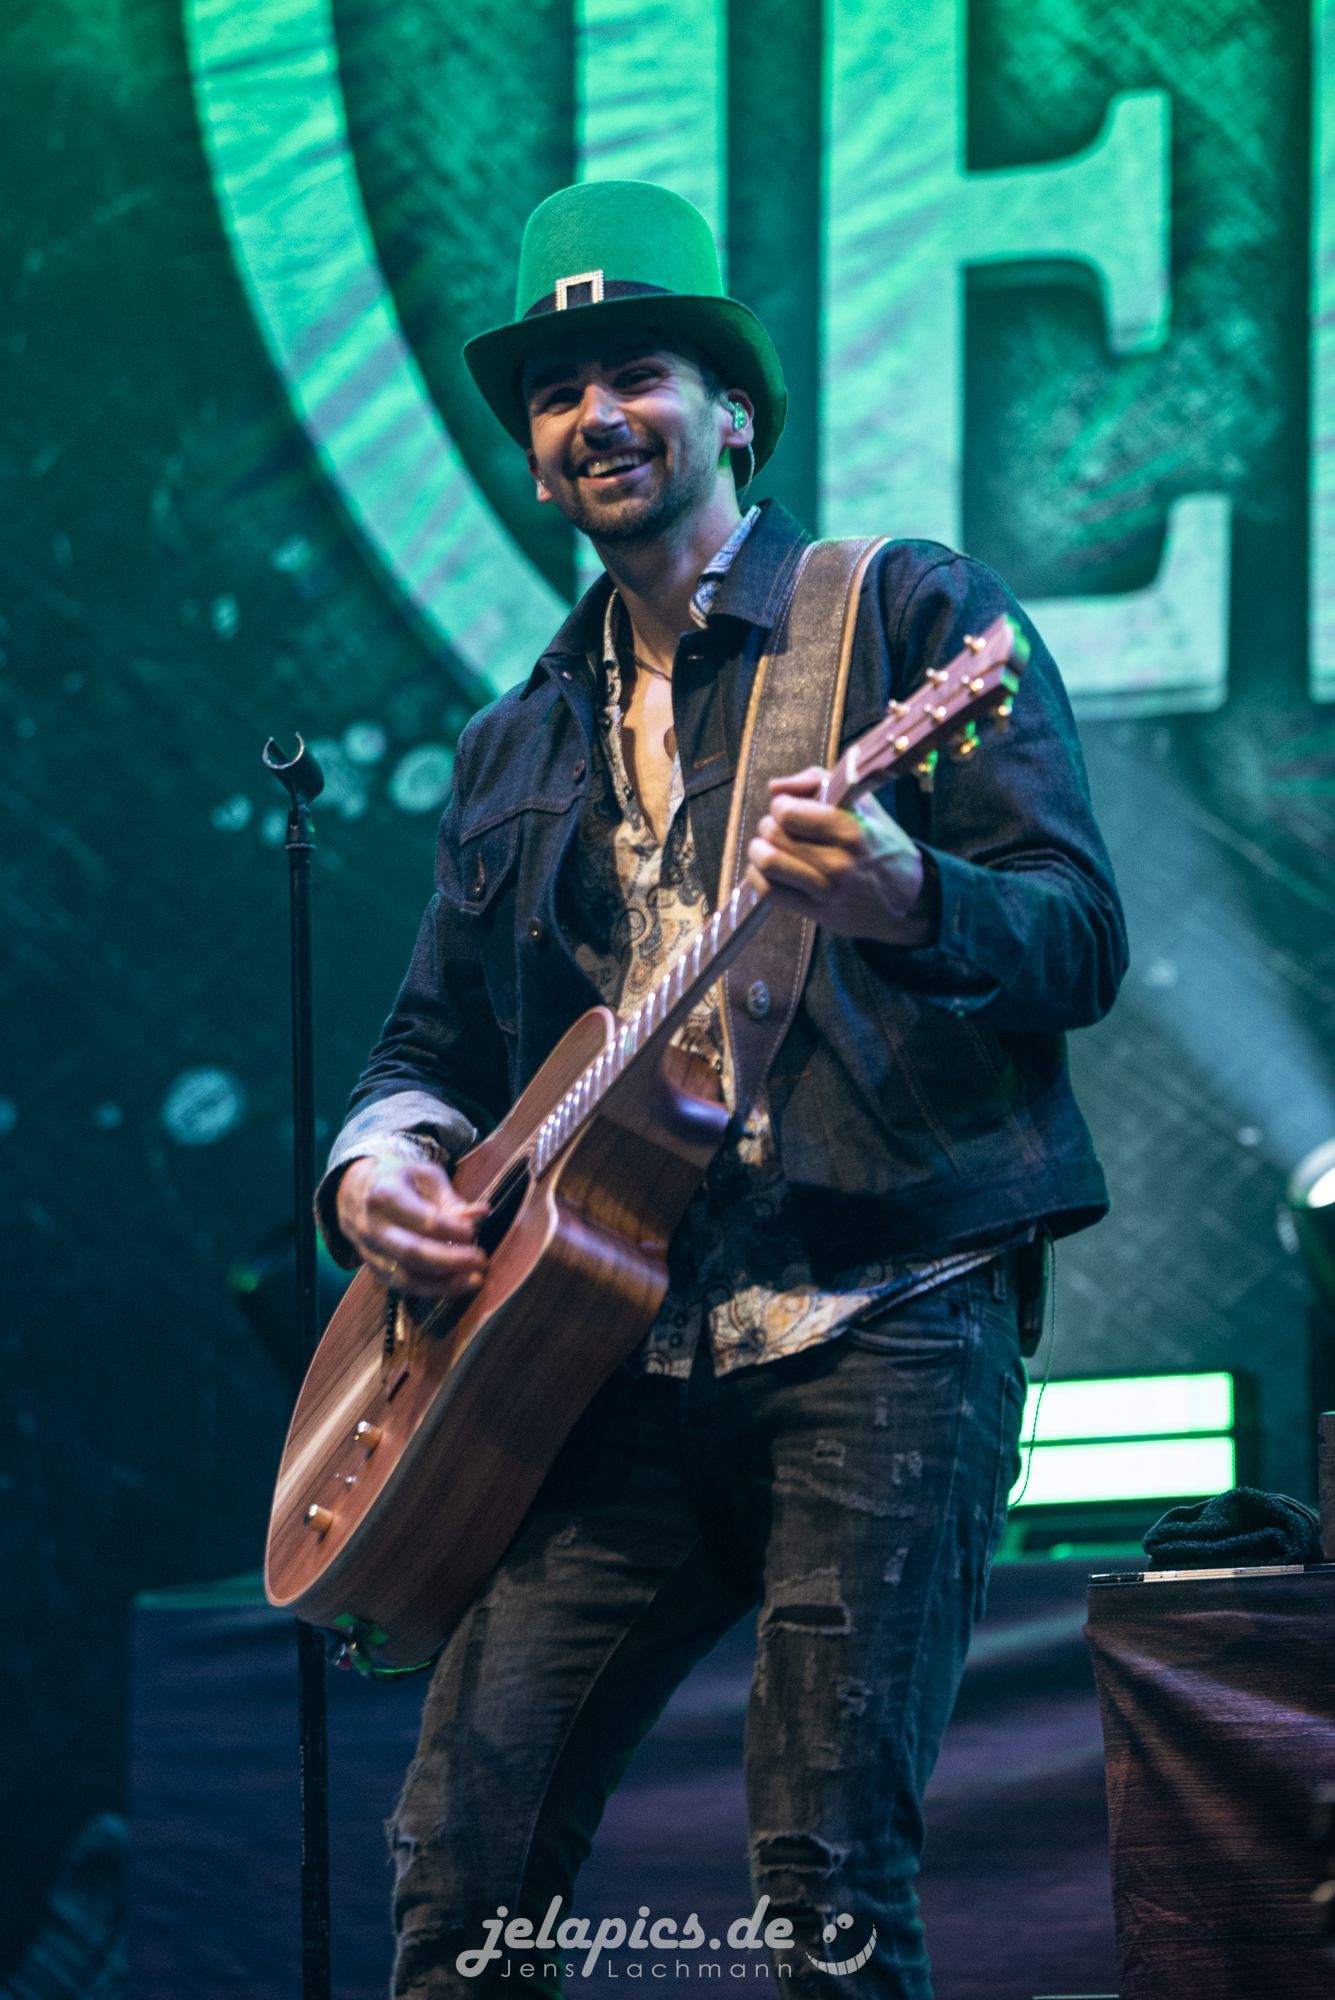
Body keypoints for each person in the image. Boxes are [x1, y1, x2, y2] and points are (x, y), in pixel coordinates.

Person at [316, 180, 1128, 1999]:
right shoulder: (511, 740)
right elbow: (429, 1049)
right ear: (537, 462)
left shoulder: (905, 615)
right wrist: (380, 1169)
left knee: (823, 1885)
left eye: (639, 375)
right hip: (604, 1357)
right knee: (459, 1864)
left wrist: (911, 896)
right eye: (557, 393)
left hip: (883, 1313)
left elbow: (1079, 940)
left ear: (734, 409)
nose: (595, 415)